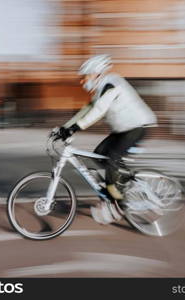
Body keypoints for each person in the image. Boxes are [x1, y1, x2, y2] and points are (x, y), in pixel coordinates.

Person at [57, 55, 157, 221]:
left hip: (138, 127)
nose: (82, 82)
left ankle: (118, 205)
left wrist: (75, 128)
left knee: (111, 160)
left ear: (96, 73)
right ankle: (121, 183)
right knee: (100, 154)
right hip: (123, 129)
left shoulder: (111, 84)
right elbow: (86, 110)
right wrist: (65, 127)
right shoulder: (99, 89)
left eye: (84, 77)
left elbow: (98, 111)